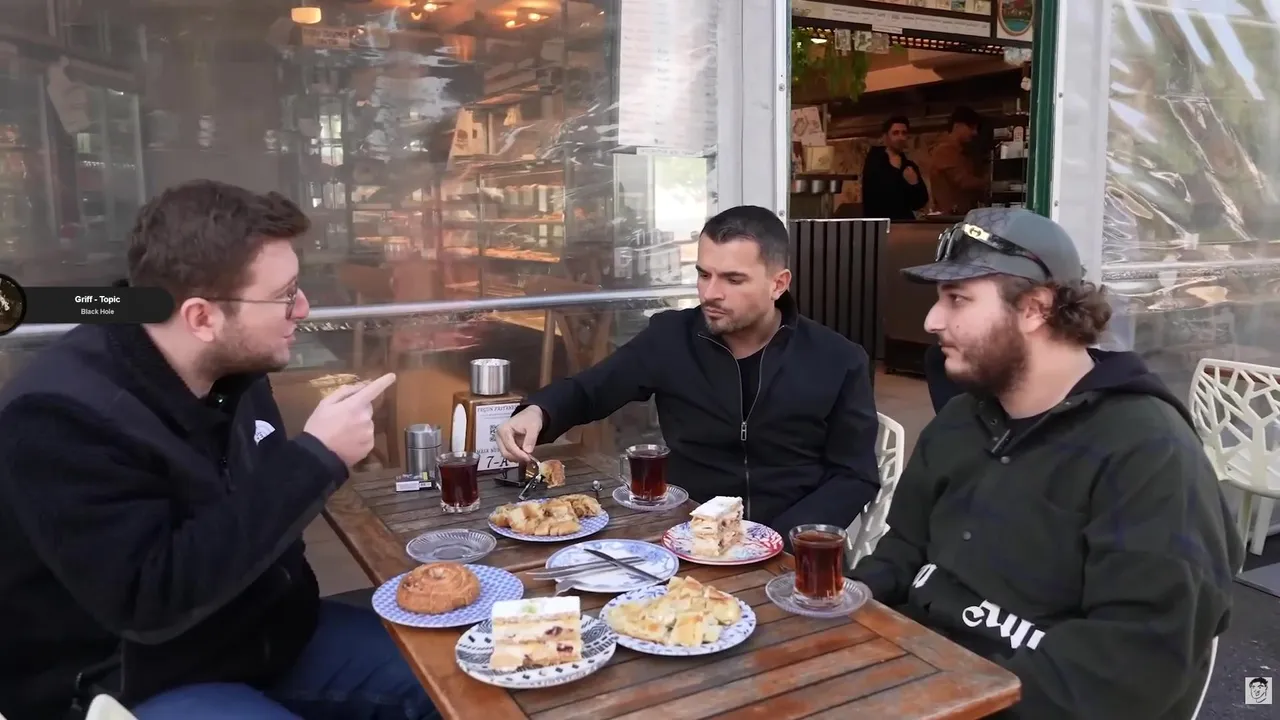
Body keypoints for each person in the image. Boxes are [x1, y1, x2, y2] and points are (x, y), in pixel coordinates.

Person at [0, 180, 435, 720]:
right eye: (284, 295)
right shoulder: (58, 418)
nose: (303, 308)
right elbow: (150, 601)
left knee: (462, 679)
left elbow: (263, 525)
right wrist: (315, 459)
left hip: (266, 639)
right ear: (201, 318)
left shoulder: (236, 371)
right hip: (131, 682)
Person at [846, 207, 1243, 719]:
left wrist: (952, 704)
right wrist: (845, 604)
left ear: (1034, 308)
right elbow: (903, 549)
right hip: (916, 674)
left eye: (957, 299)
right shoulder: (960, 421)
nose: (932, 321)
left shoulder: (1148, 452)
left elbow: (1133, 665)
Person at [496, 205, 881, 537]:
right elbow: (592, 389)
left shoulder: (839, 359)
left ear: (778, 284)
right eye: (703, 274)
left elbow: (854, 476)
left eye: (733, 279)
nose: (710, 293)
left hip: (792, 548)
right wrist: (539, 411)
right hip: (687, 536)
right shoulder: (670, 337)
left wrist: (778, 540)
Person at [859, 115, 929, 221]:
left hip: (905, 224)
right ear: (885, 137)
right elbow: (878, 197)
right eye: (895, 133)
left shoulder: (909, 166)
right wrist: (898, 175)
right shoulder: (874, 161)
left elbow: (920, 202)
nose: (900, 137)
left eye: (904, 133)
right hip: (880, 225)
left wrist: (914, 184)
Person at [928, 106, 988, 215]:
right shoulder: (945, 150)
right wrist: (991, 183)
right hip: (948, 217)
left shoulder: (961, 151)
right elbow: (963, 182)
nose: (975, 133)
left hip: (957, 215)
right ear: (957, 126)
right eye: (971, 128)